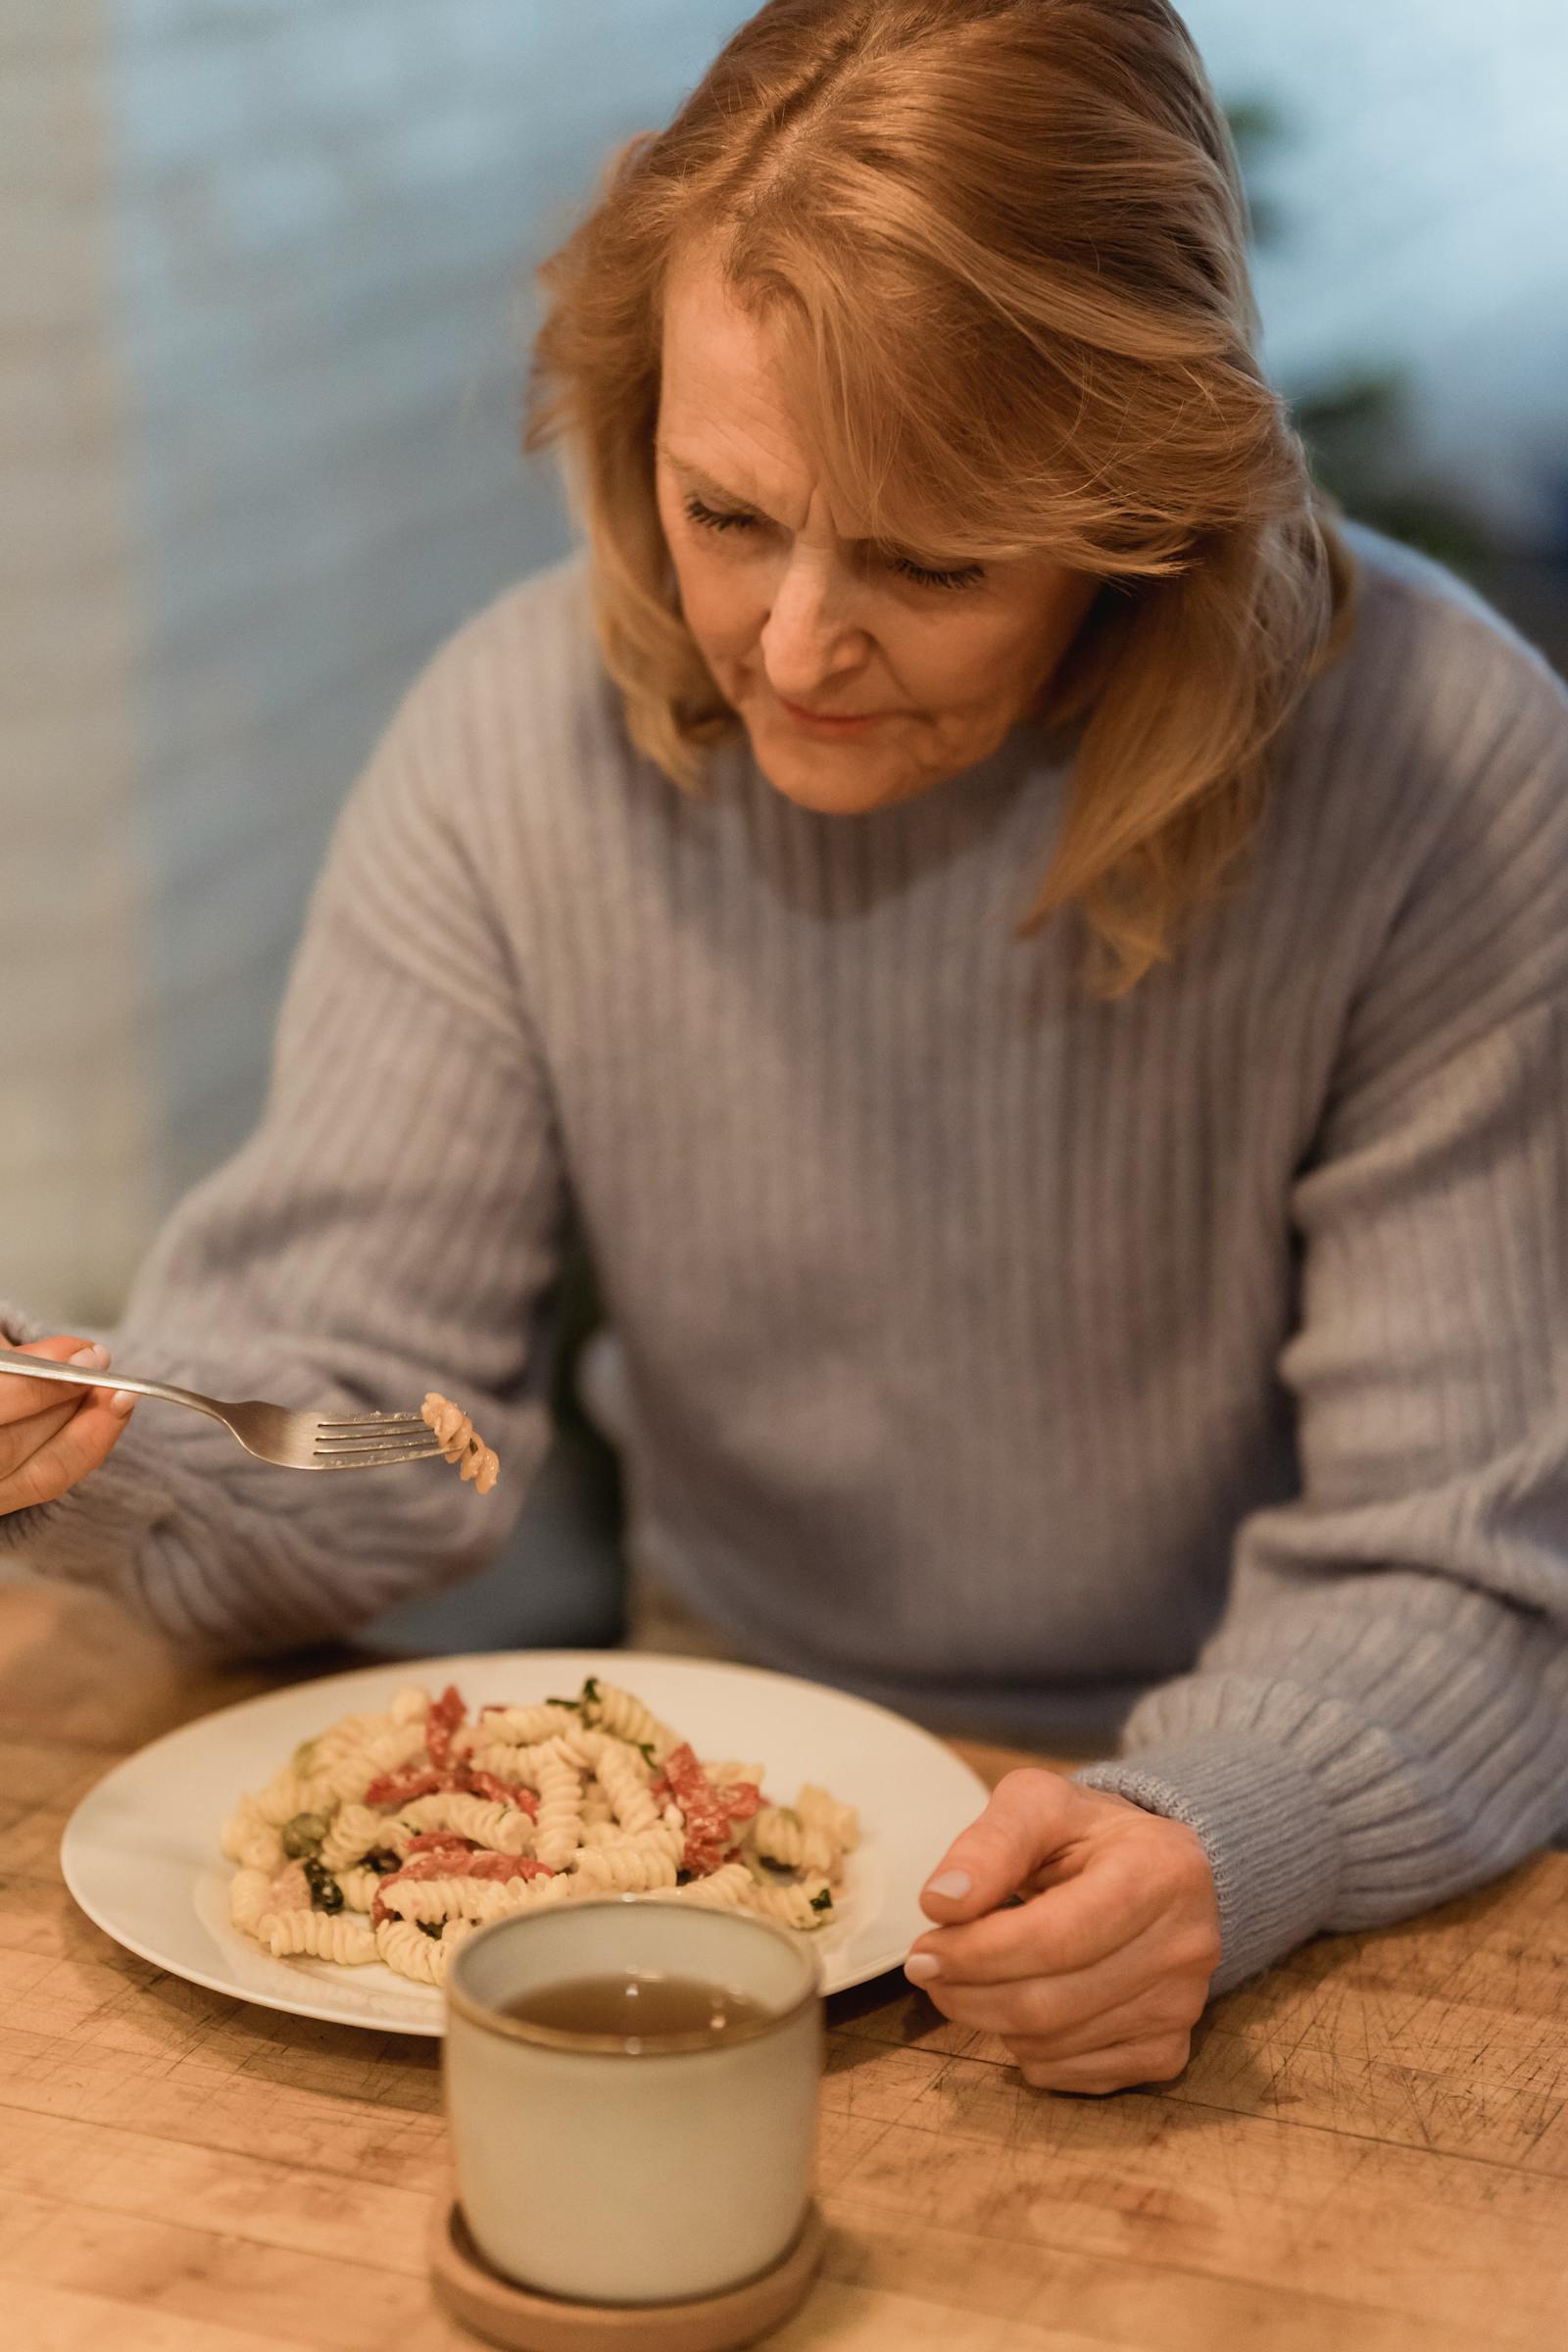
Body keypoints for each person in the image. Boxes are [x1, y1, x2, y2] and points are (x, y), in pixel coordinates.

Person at [4, 0, 1566, 2096]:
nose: (793, 647)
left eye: (925, 559)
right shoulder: (511, 748)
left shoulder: (1442, 776)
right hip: (712, 1836)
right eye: (726, 512)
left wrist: (1218, 1824)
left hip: (1237, 1858)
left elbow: (1465, 1560)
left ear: (1140, 519)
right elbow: (366, 1418)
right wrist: (111, 1442)